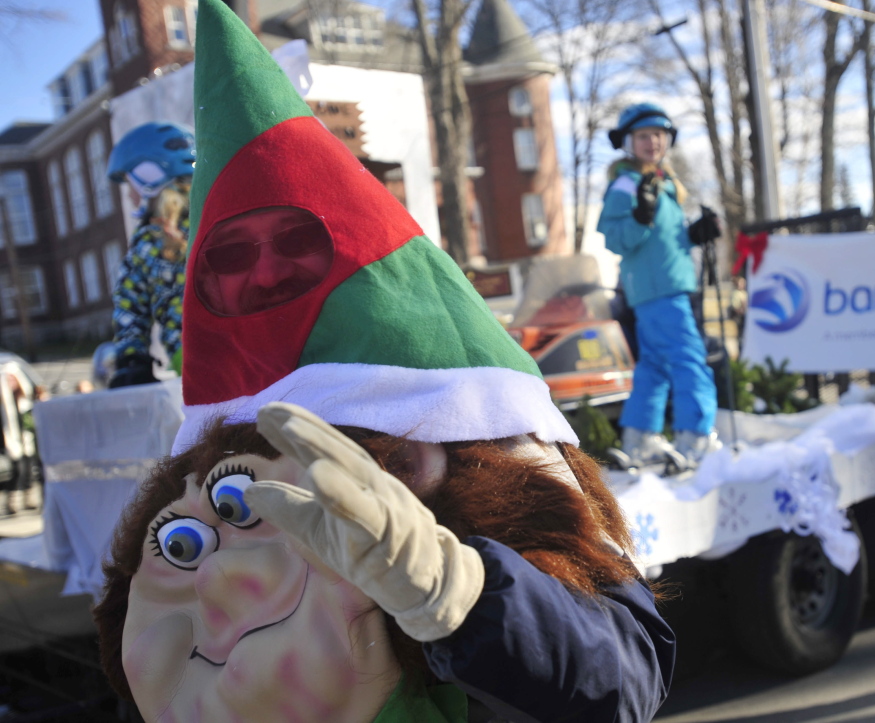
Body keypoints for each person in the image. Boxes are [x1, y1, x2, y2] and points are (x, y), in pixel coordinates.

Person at [92, 2, 676, 721]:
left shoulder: (493, 469)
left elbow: (621, 681)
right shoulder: (200, 499)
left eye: (294, 244)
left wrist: (464, 597)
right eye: (236, 254)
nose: (268, 275)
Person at [597, 102, 721, 467]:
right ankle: (697, 438)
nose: (652, 142)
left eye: (658, 134)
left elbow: (663, 239)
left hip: (663, 286)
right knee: (688, 359)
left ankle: (640, 439)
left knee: (654, 364)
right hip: (660, 290)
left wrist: (695, 235)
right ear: (628, 142)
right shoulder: (626, 184)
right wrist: (639, 216)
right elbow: (615, 238)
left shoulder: (665, 183)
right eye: (643, 135)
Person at [106, 121, 195, 387]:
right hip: (253, 348)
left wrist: (132, 358)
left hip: (192, 359)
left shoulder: (148, 241)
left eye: (129, 185)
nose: (130, 197)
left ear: (149, 177)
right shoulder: (217, 219)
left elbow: (129, 303)